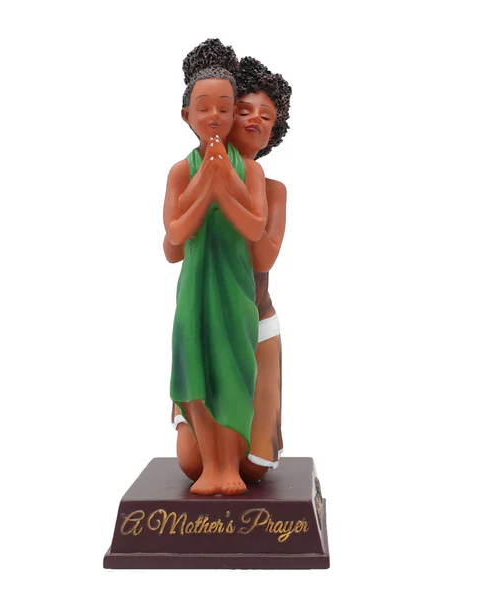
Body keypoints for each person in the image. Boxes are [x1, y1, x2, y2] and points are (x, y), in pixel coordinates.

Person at [167, 56, 292, 484]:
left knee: (252, 464)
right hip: (201, 308)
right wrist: (206, 182)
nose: (254, 120)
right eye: (244, 110)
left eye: (267, 116)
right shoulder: (185, 170)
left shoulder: (266, 184)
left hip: (251, 319)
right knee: (190, 462)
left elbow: (261, 256)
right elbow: (172, 244)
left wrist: (227, 182)